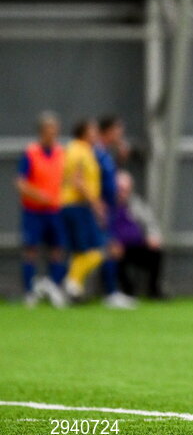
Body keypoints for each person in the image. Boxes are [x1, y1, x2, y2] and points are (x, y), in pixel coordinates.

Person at [16, 111, 68, 308]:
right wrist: (38, 195)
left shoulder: (61, 152)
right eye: (49, 129)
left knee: (57, 250)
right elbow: (20, 183)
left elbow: (66, 178)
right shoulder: (31, 153)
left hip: (54, 210)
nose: (53, 133)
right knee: (31, 250)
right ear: (41, 131)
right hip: (34, 210)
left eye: (55, 129)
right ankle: (29, 292)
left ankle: (54, 288)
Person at [60, 118, 107, 301]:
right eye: (93, 131)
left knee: (82, 251)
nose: (96, 134)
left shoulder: (79, 149)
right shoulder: (79, 151)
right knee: (94, 251)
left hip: (75, 205)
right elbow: (78, 181)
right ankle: (71, 282)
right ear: (84, 133)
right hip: (77, 206)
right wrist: (96, 203)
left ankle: (73, 285)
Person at [96, 115, 136, 309]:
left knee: (112, 248)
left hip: (109, 206)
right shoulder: (96, 151)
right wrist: (97, 203)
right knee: (105, 248)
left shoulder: (107, 153)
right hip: (99, 207)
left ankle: (111, 291)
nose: (121, 135)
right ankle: (107, 292)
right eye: (118, 130)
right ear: (109, 130)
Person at [109, 171, 165, 299]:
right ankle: (127, 291)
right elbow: (102, 228)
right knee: (117, 255)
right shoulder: (107, 205)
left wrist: (153, 236)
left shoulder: (136, 203)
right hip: (116, 246)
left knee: (156, 252)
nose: (123, 192)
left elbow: (150, 222)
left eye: (126, 189)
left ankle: (154, 290)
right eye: (120, 189)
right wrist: (112, 242)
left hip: (136, 245)